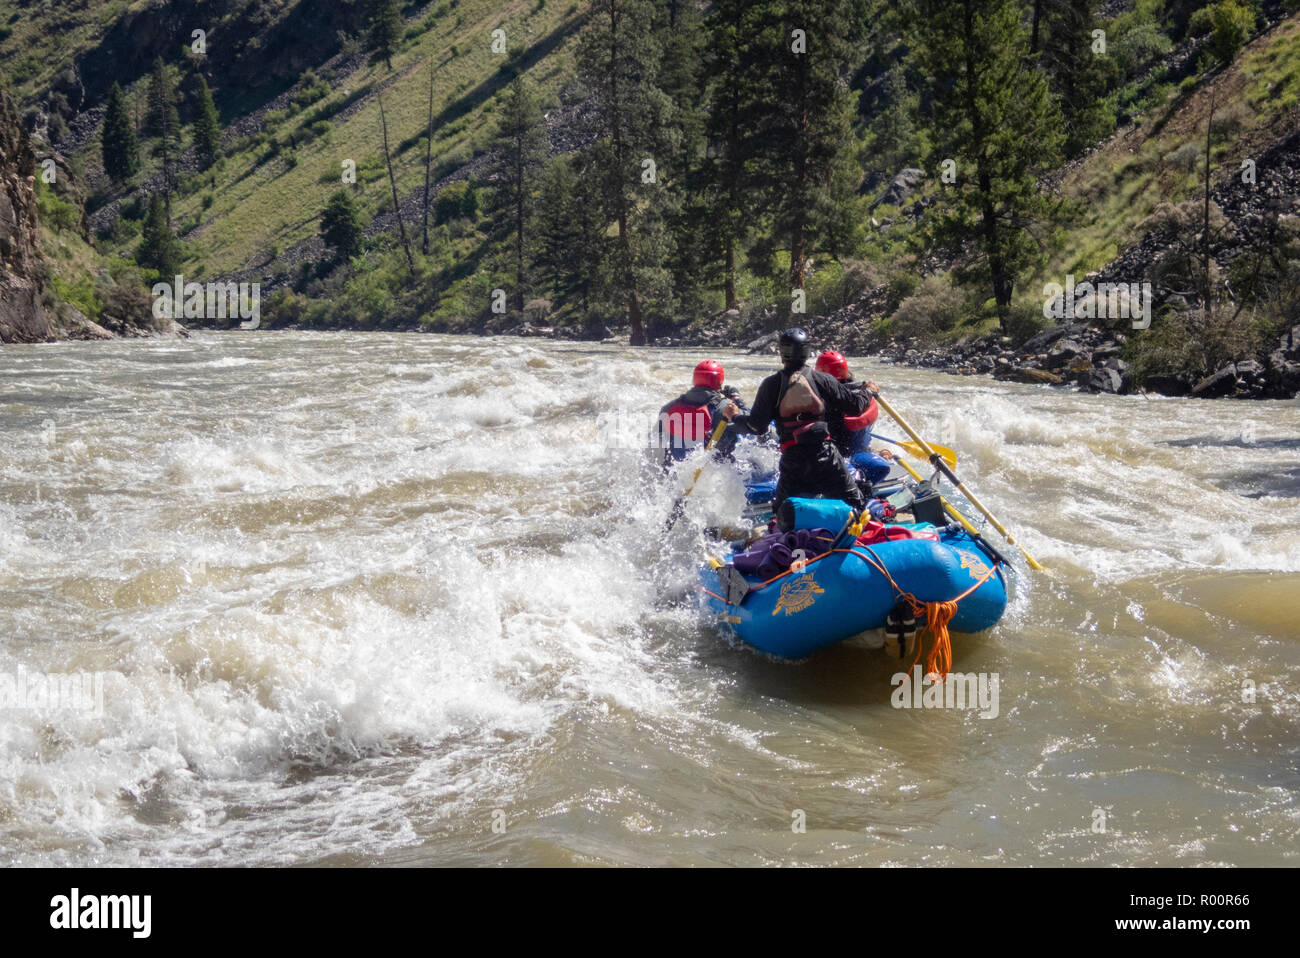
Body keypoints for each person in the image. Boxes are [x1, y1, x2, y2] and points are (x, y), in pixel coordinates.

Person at [731, 329, 866, 511]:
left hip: (793, 460)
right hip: (826, 455)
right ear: (807, 351)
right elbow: (855, 406)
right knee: (856, 504)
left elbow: (756, 427)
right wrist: (868, 392)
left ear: (782, 353)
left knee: (783, 513)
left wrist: (734, 417)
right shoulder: (823, 380)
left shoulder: (771, 385)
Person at [814, 350, 893, 488]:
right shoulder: (856, 392)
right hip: (850, 451)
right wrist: (868, 391)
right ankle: (872, 453)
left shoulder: (817, 394)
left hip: (832, 453)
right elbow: (856, 403)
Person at [656, 360, 739, 467]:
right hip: (714, 469)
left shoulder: (668, 408)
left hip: (675, 470)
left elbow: (658, 436)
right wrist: (736, 398)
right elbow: (752, 425)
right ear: (720, 381)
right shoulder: (724, 407)